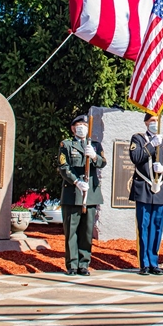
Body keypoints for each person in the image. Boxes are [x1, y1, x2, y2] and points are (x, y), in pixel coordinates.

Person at [129, 113, 163, 275]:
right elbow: (136, 157)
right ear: (146, 123)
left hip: (161, 188)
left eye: (157, 120)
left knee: (157, 227)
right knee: (144, 226)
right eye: (152, 121)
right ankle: (144, 263)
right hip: (144, 187)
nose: (155, 123)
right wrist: (151, 145)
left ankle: (154, 262)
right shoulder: (138, 138)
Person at [59, 115, 106, 276]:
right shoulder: (66, 144)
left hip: (90, 194)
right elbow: (63, 167)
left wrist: (93, 155)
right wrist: (76, 182)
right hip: (73, 193)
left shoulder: (95, 145)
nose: (81, 128)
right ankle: (72, 265)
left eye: (84, 125)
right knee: (71, 231)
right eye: (78, 125)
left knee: (86, 232)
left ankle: (84, 264)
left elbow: (102, 162)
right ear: (73, 128)